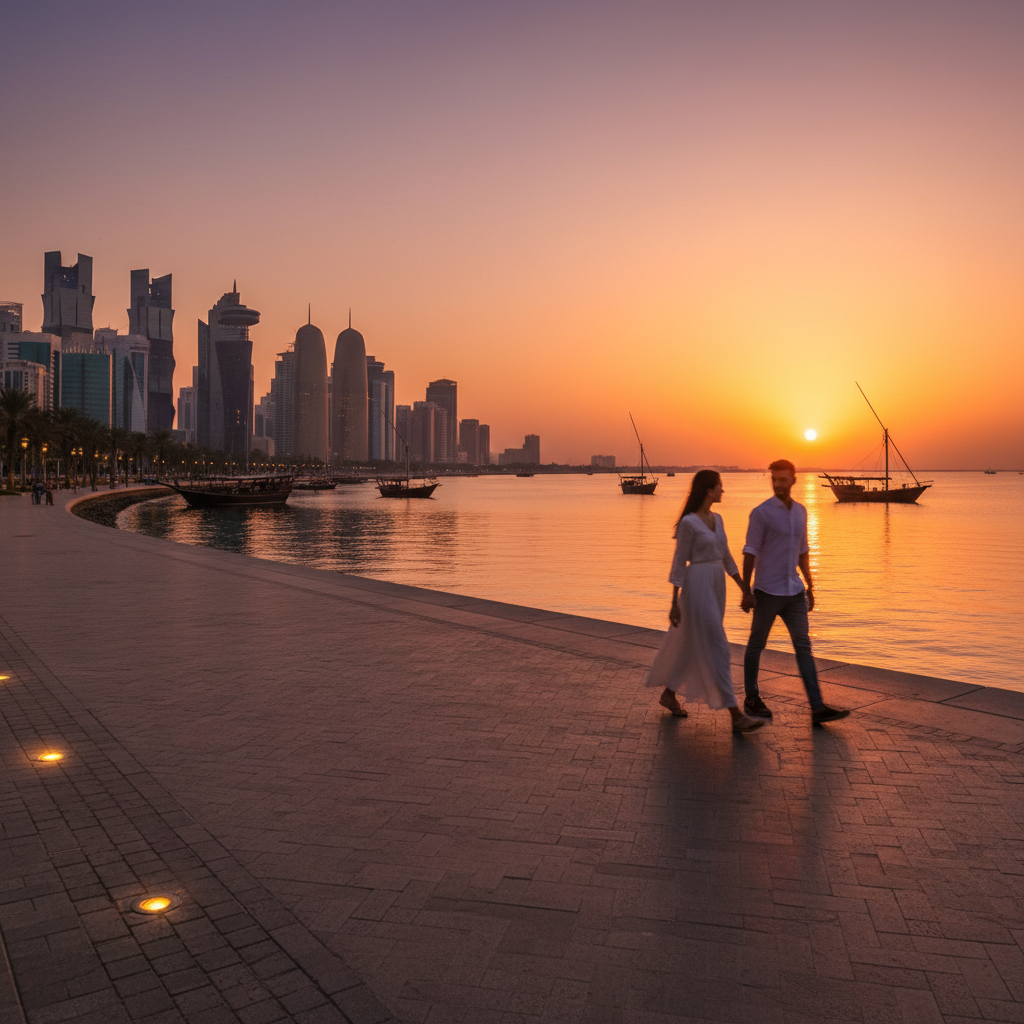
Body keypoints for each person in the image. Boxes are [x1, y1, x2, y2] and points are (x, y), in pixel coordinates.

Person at [647, 470, 766, 733]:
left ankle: (669, 693)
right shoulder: (689, 523)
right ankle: (736, 715)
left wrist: (745, 589)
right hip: (697, 583)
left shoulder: (719, 519)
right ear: (708, 490)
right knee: (718, 646)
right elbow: (679, 562)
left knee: (692, 642)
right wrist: (674, 602)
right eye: (720, 486)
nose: (723, 490)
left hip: (716, 584)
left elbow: (727, 558)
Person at [741, 459, 850, 725]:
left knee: (804, 647)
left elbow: (803, 552)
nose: (777, 484)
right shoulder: (761, 513)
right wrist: (746, 590)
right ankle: (752, 698)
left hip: (794, 592)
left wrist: (811, 586)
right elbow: (750, 551)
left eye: (782, 479)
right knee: (756, 645)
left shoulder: (801, 512)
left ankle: (817, 707)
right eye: (774, 479)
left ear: (793, 480)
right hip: (766, 592)